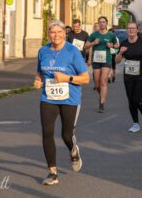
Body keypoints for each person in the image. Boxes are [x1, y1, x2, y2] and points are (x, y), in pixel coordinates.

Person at [34, 20, 90, 186]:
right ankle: (52, 173)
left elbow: (86, 78)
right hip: (48, 97)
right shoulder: (43, 51)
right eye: (52, 32)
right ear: (48, 34)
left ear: (65, 33)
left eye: (59, 32)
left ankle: (73, 150)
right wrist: (37, 80)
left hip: (70, 98)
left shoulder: (73, 51)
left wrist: (67, 78)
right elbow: (39, 71)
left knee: (66, 135)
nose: (56, 35)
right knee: (47, 132)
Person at [116, 22, 142, 133]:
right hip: (128, 74)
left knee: (136, 99)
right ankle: (135, 124)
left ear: (137, 30)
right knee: (130, 100)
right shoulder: (124, 43)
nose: (131, 30)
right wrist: (120, 53)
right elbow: (117, 60)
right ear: (127, 30)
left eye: (133, 28)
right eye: (129, 28)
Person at [85, 16, 118, 113]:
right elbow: (86, 46)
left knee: (103, 82)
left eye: (103, 22)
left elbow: (116, 45)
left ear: (106, 23)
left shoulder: (111, 35)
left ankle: (102, 103)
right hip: (96, 61)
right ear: (98, 24)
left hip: (106, 60)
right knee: (97, 84)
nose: (101, 24)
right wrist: (93, 43)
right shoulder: (94, 34)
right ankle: (102, 95)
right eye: (100, 22)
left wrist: (112, 45)